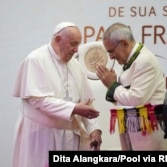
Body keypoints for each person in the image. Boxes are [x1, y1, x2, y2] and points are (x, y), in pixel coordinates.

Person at [11, 22, 102, 167]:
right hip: (42, 137)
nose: (76, 50)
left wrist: (94, 129)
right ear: (58, 39)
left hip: (70, 137)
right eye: (73, 44)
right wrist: (73, 109)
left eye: (78, 44)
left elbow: (87, 102)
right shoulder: (35, 60)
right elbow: (38, 101)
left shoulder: (75, 64)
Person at [96, 22, 167, 150]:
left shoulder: (144, 61)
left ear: (124, 43)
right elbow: (126, 99)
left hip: (149, 134)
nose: (111, 57)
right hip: (135, 129)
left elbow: (137, 99)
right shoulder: (132, 60)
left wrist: (113, 86)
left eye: (111, 51)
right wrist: (113, 86)